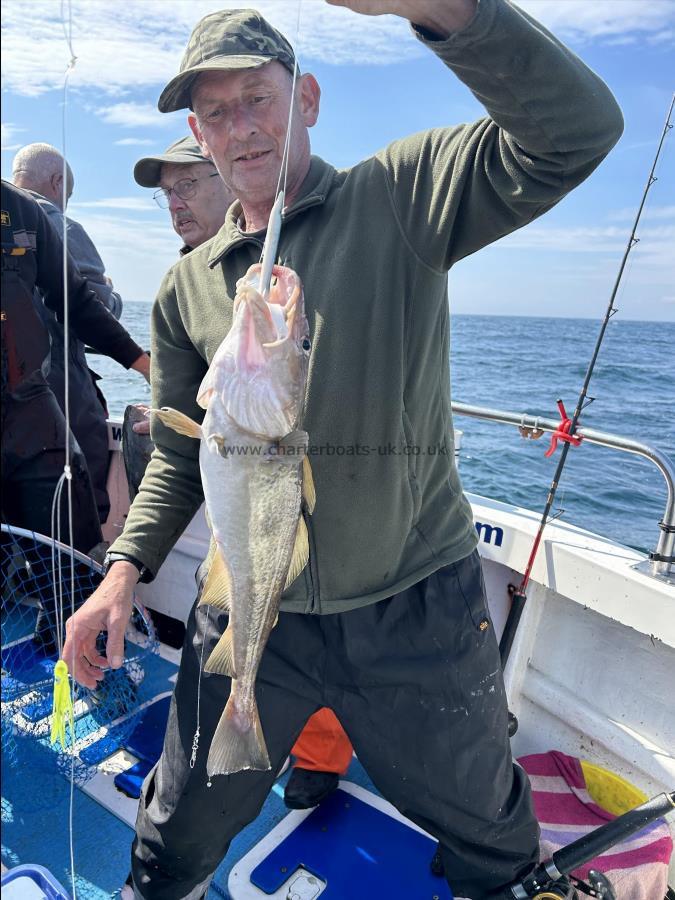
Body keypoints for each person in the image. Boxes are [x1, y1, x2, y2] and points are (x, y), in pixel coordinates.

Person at [62, 2, 623, 898]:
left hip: (415, 609)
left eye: (258, 98)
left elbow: (578, 133)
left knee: (489, 831)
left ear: (309, 98)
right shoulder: (186, 291)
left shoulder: (397, 196)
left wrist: (441, 10)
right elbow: (178, 454)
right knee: (174, 832)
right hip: (253, 610)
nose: (241, 127)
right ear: (197, 137)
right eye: (217, 113)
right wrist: (124, 571)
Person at [133, 134, 353, 808]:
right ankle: (242, 740)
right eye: (164, 192)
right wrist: (126, 564)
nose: (174, 203)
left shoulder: (296, 262)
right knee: (190, 789)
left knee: (328, 669)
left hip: (344, 549)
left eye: (187, 185)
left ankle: (317, 757)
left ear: (227, 179)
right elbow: (186, 441)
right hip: (255, 515)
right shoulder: (185, 283)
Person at [1, 180, 150, 643]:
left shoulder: (22, 210)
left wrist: (146, 364)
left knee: (72, 531)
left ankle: (83, 659)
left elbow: (77, 300)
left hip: (28, 406)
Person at [12, 143, 125, 525]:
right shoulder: (57, 223)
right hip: (59, 406)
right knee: (71, 525)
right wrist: (111, 293)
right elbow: (94, 312)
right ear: (57, 182)